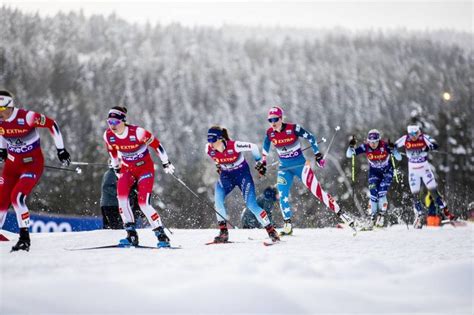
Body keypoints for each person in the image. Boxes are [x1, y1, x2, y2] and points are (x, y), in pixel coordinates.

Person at [258, 106, 355, 235]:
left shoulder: (293, 129)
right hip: (284, 168)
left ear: (281, 118)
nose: (273, 123)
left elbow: (311, 137)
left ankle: (342, 214)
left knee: (318, 192)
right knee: (282, 196)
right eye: (270, 120)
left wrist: (317, 155)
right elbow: (265, 147)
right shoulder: (270, 133)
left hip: (301, 167)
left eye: (275, 119)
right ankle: (287, 225)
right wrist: (263, 162)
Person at [0, 90, 71, 251]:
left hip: (32, 165)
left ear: (9, 107)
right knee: (2, 198)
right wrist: (2, 150)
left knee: (16, 198)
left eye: (0, 110)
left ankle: (24, 238)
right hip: (11, 165)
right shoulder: (1, 120)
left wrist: (61, 150)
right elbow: (2, 132)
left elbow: (52, 124)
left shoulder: (26, 117)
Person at [103, 106, 175, 247]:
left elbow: (157, 145)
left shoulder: (138, 132)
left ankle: (161, 236)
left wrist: (166, 162)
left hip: (144, 169)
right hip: (127, 170)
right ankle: (131, 235)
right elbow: (113, 153)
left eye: (115, 122)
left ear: (123, 121)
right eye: (109, 122)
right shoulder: (108, 136)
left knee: (143, 203)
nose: (112, 126)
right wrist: (116, 167)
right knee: (121, 199)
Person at [206, 126, 280, 243]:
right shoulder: (208, 149)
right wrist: (218, 165)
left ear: (220, 139)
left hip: (242, 175)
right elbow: (216, 158)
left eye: (213, 140)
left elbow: (254, 147)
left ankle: (271, 231)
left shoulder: (234, 145)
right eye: (208, 140)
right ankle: (223, 233)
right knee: (218, 200)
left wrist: (259, 161)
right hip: (226, 176)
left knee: (251, 205)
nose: (210, 143)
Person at [395, 125, 455, 229]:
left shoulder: (424, 137)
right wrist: (395, 152)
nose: (414, 136)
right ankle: (419, 214)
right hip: (413, 171)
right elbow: (393, 145)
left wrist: (429, 147)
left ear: (419, 132)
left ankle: (446, 212)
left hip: (424, 169)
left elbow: (436, 144)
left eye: (416, 133)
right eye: (412, 134)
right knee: (415, 194)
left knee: (434, 193)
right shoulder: (405, 139)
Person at [346, 129, 402, 228]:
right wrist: (350, 147)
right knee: (373, 194)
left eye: (375, 142)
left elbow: (399, 158)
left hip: (387, 172)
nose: (372, 144)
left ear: (378, 140)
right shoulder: (365, 147)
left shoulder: (384, 146)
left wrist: (394, 150)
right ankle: (373, 217)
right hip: (374, 173)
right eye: (370, 142)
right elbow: (349, 154)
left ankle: (381, 216)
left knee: (381, 192)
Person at [100, 159, 144, 229]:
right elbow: (107, 187)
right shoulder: (110, 173)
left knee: (117, 226)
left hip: (115, 204)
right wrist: (120, 193)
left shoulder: (119, 174)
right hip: (110, 205)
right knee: (113, 227)